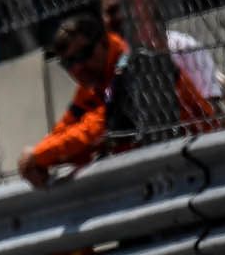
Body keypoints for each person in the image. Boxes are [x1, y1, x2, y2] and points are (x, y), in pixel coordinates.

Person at [18, 11, 214, 189]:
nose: (78, 68)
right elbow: (67, 128)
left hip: (199, 158)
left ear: (103, 43)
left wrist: (39, 156)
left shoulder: (131, 68)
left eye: (84, 55)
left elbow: (94, 130)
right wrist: (39, 158)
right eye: (69, 63)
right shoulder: (96, 83)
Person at [100, 0, 221, 102]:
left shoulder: (183, 46)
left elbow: (210, 101)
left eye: (123, 8)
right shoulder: (103, 63)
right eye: (110, 11)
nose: (120, 15)